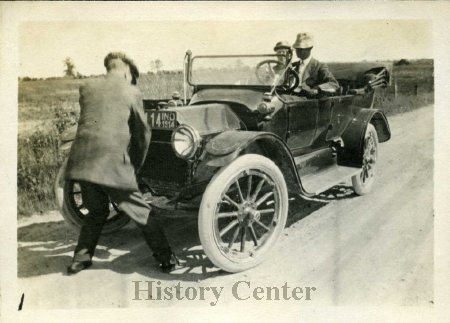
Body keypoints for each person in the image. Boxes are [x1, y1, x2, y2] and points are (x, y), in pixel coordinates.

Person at [65, 52, 181, 275]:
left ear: (109, 68)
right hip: (111, 164)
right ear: (127, 72)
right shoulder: (131, 91)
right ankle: (167, 259)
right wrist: (135, 166)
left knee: (97, 211)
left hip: (80, 162)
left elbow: (98, 123)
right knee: (141, 212)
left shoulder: (87, 87)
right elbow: (142, 134)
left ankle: (80, 260)